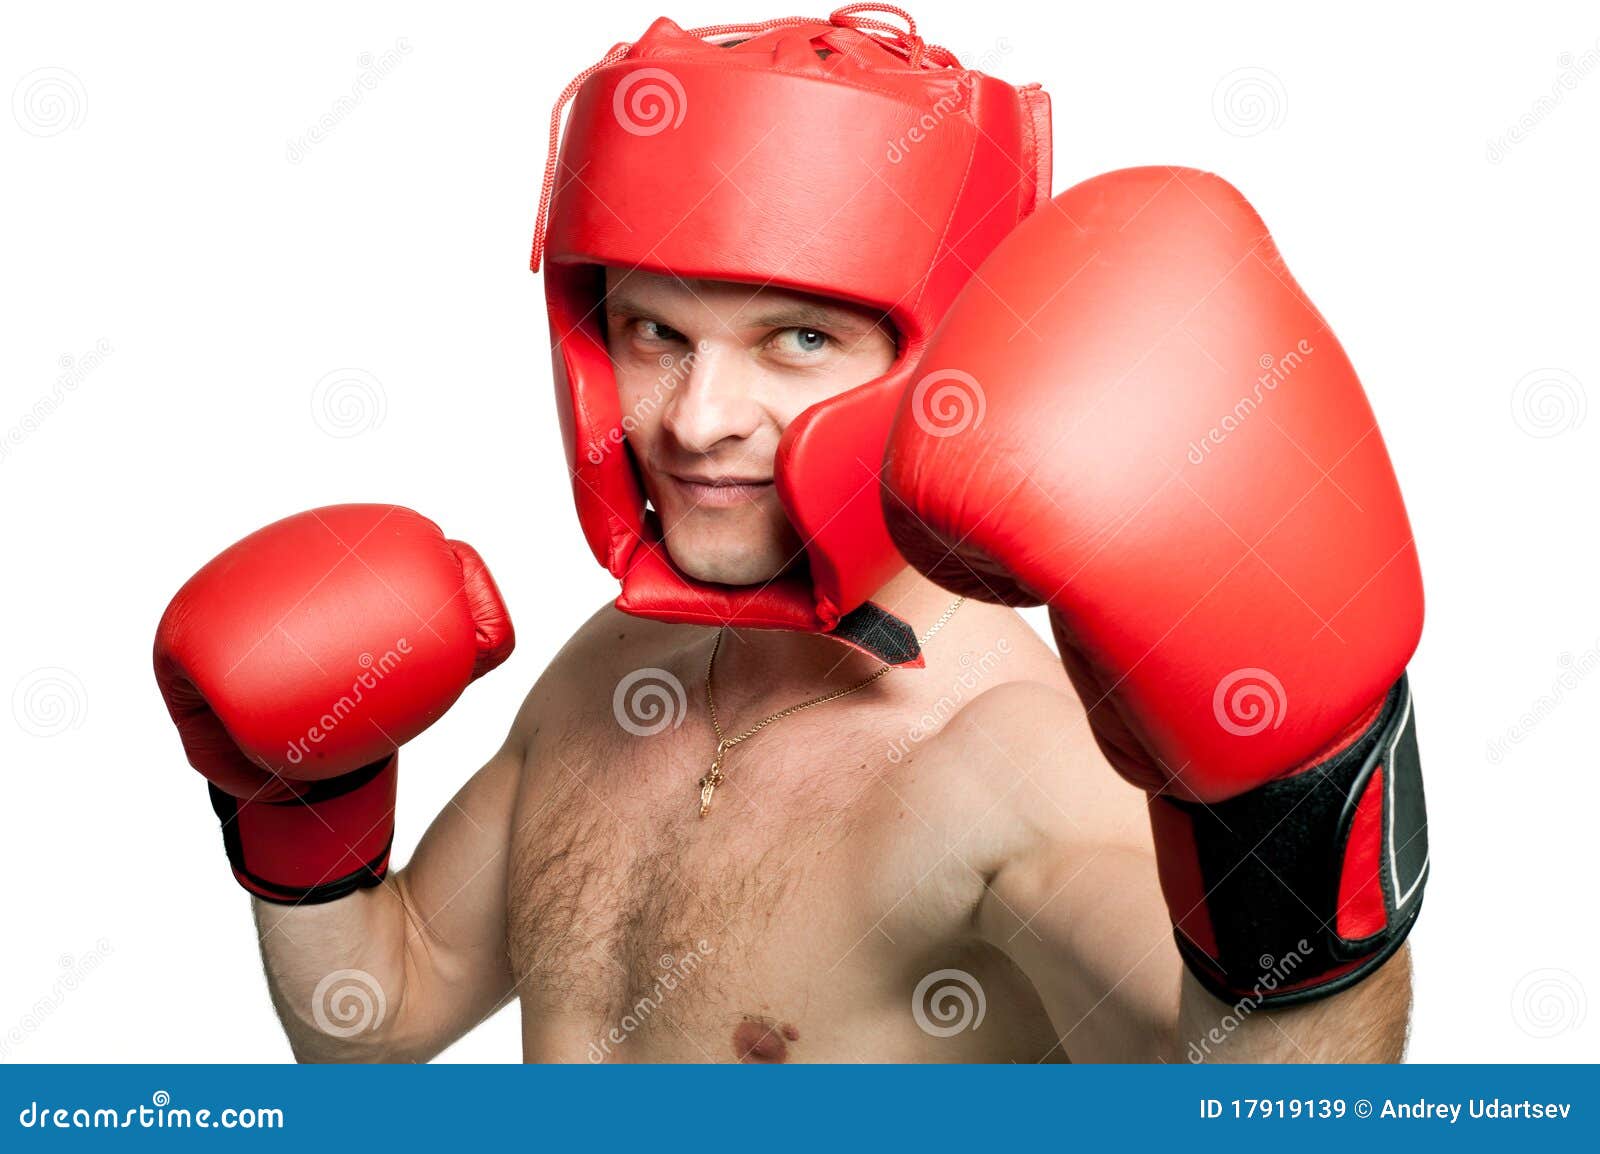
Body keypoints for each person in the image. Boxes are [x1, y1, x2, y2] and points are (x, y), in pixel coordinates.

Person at [153, 6, 1426, 1063]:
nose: (699, 420)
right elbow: (379, 1017)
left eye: (797, 340)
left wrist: (1299, 797)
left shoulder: (1012, 766)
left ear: (939, 365)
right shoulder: (610, 673)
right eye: (656, 332)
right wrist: (302, 812)